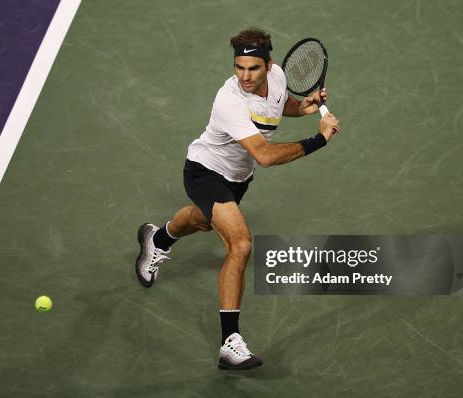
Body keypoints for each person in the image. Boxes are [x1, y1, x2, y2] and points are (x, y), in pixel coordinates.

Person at [134, 27, 340, 370]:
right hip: (204, 171)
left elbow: (277, 105)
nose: (245, 76)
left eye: (253, 68)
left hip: (237, 179)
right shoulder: (229, 99)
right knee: (240, 245)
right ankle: (230, 343)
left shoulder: (277, 77)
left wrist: (303, 108)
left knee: (200, 221)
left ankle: (157, 238)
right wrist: (320, 139)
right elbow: (265, 156)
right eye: (238, 67)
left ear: (268, 65)